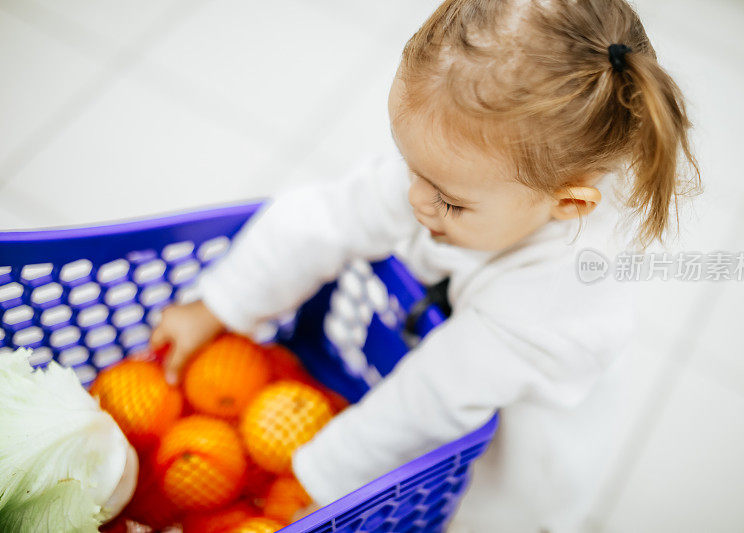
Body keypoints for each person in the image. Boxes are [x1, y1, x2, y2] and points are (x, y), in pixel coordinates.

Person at [149, 0, 699, 530]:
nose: (414, 198)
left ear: (569, 203)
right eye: (409, 165)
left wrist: (315, 478)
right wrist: (217, 304)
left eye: (449, 202)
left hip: (514, 449)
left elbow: (429, 401)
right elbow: (330, 216)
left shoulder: (565, 291)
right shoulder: (471, 169)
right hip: (450, 364)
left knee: (485, 512)